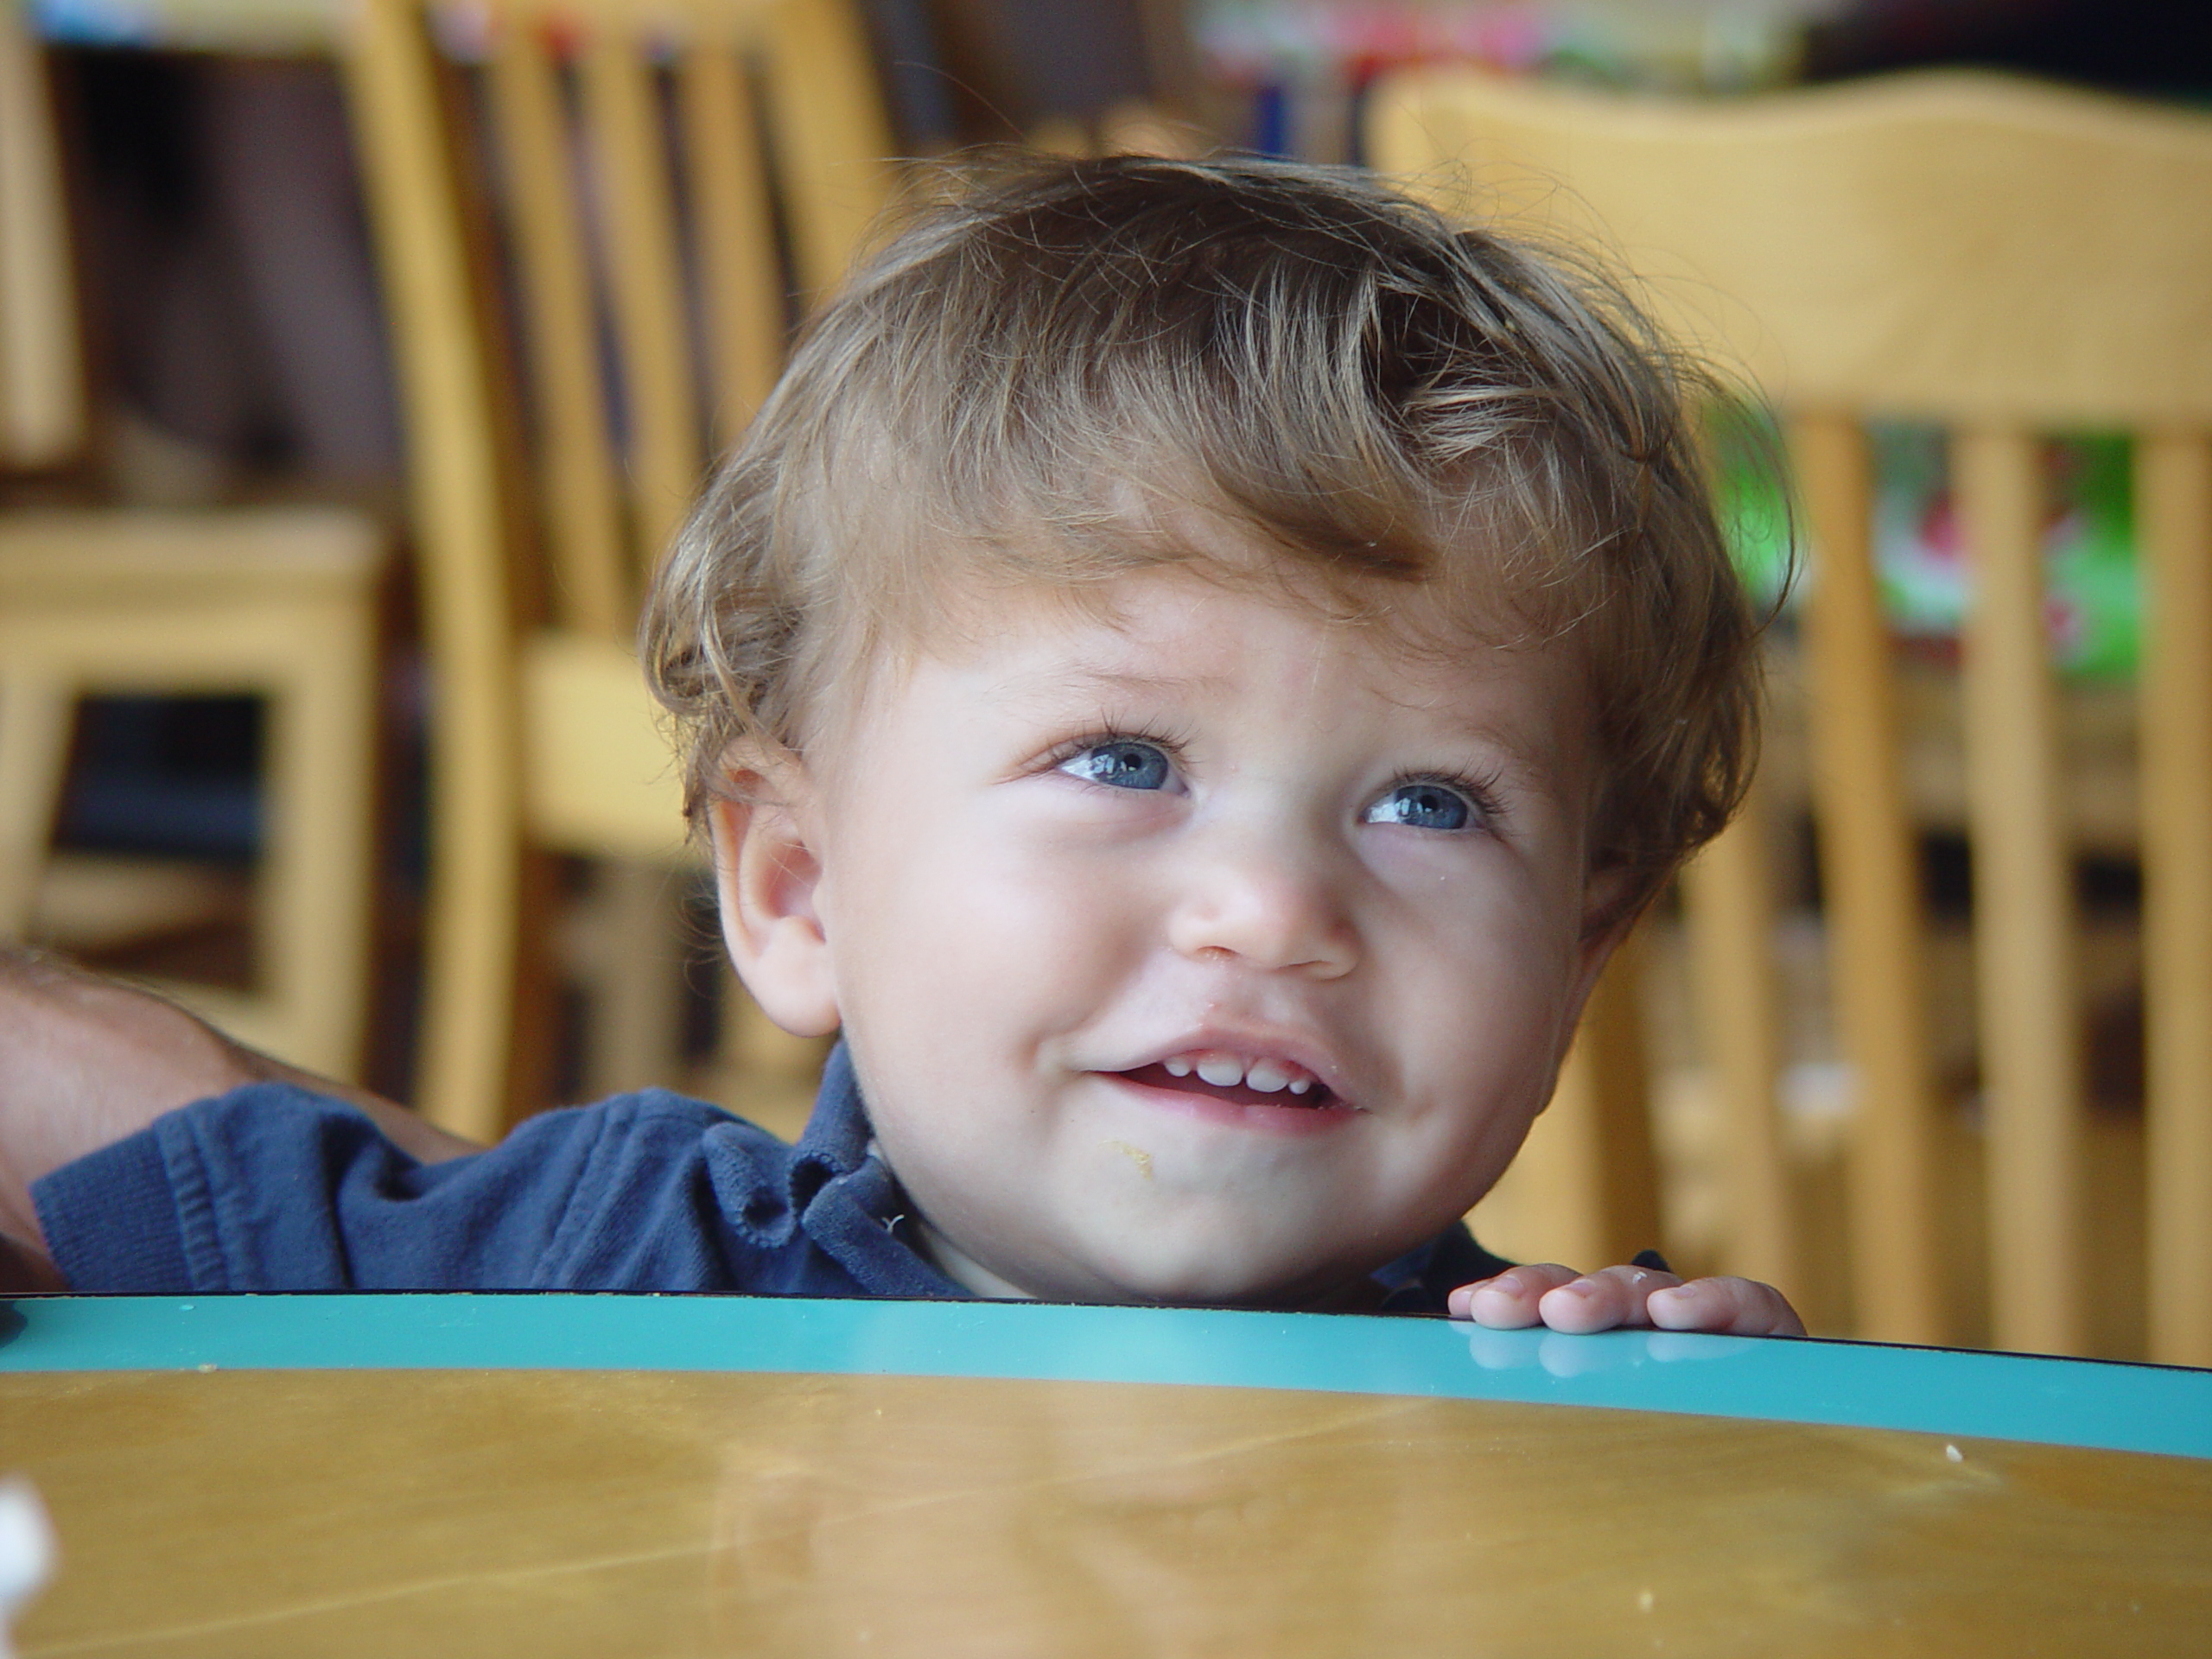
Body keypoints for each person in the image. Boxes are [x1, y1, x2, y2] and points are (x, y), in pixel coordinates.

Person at [8, 156, 1801, 1336]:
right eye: (1121, 760)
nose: (1267, 909)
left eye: (1431, 803)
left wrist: (1743, 1467)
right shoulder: (596, 1268)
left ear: (1574, 956)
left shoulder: (1567, 1397)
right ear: (797, 887)